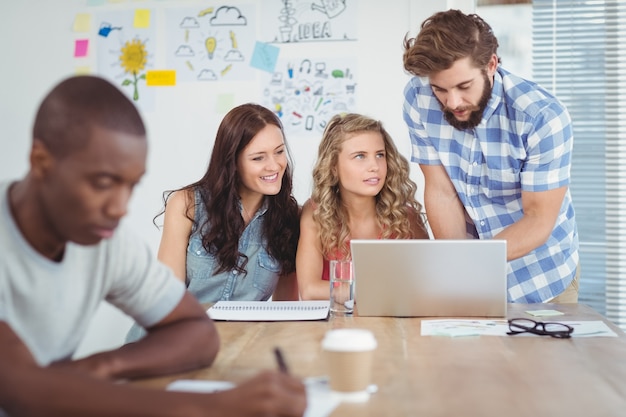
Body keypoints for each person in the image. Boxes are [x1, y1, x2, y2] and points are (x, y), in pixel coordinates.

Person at [0, 75, 306, 417]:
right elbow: (18, 388)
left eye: (131, 186)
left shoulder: (103, 239)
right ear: (41, 162)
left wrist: (99, 367)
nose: (120, 208)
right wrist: (214, 407)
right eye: (103, 182)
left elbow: (196, 332)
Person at [402, 9, 579, 303]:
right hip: (471, 275)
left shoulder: (542, 116)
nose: (452, 102)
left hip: (542, 276)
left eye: (464, 86)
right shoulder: (418, 98)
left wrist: (469, 264)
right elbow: (441, 191)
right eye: (440, 90)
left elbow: (538, 219)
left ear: (491, 64)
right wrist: (461, 270)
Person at [125, 103, 300, 342]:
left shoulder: (290, 218)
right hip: (169, 341)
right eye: (258, 157)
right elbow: (166, 299)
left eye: (279, 152)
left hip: (236, 349)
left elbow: (285, 312)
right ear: (233, 162)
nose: (274, 165)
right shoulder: (188, 203)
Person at [297, 113, 429, 300]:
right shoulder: (315, 214)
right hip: (337, 326)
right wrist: (382, 292)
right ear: (333, 166)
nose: (374, 166)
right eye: (360, 156)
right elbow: (309, 290)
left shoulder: (406, 217)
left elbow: (429, 284)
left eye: (380, 155)